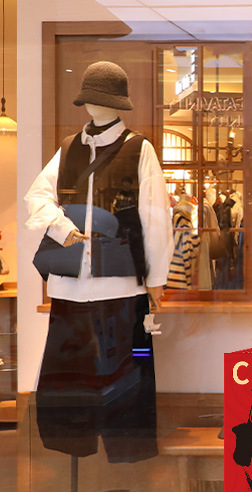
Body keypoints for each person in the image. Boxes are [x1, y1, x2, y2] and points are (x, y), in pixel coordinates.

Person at [24, 61, 172, 462]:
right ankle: (71, 444)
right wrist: (62, 228)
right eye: (89, 100)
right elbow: (38, 197)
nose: (94, 107)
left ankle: (128, 448)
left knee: (129, 367)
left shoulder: (139, 149)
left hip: (121, 284)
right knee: (67, 371)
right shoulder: (69, 147)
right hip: (69, 287)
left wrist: (156, 278)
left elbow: (156, 217)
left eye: (101, 100)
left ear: (118, 104)